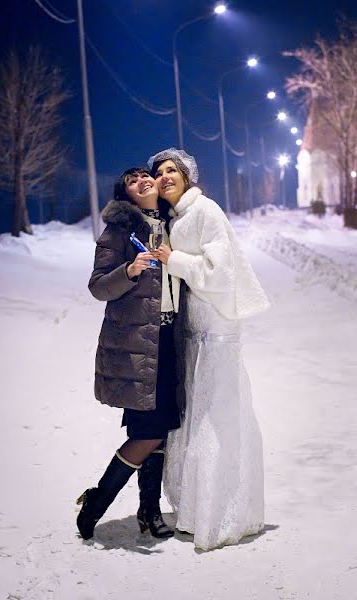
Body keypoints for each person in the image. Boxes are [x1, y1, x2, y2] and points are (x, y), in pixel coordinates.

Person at [147, 147, 270, 551]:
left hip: (216, 328)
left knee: (216, 417)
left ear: (187, 175)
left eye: (172, 170)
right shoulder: (178, 216)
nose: (165, 176)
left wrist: (174, 260)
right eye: (159, 171)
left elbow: (221, 275)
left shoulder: (206, 211)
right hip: (195, 329)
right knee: (197, 415)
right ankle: (196, 509)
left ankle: (221, 512)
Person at [76, 167, 182, 541]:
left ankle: (149, 513)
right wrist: (130, 270)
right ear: (127, 194)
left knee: (161, 431)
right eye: (131, 180)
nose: (142, 180)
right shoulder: (120, 231)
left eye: (144, 174)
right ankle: (97, 501)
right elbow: (98, 286)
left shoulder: (174, 222)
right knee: (147, 432)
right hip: (137, 344)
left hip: (169, 339)